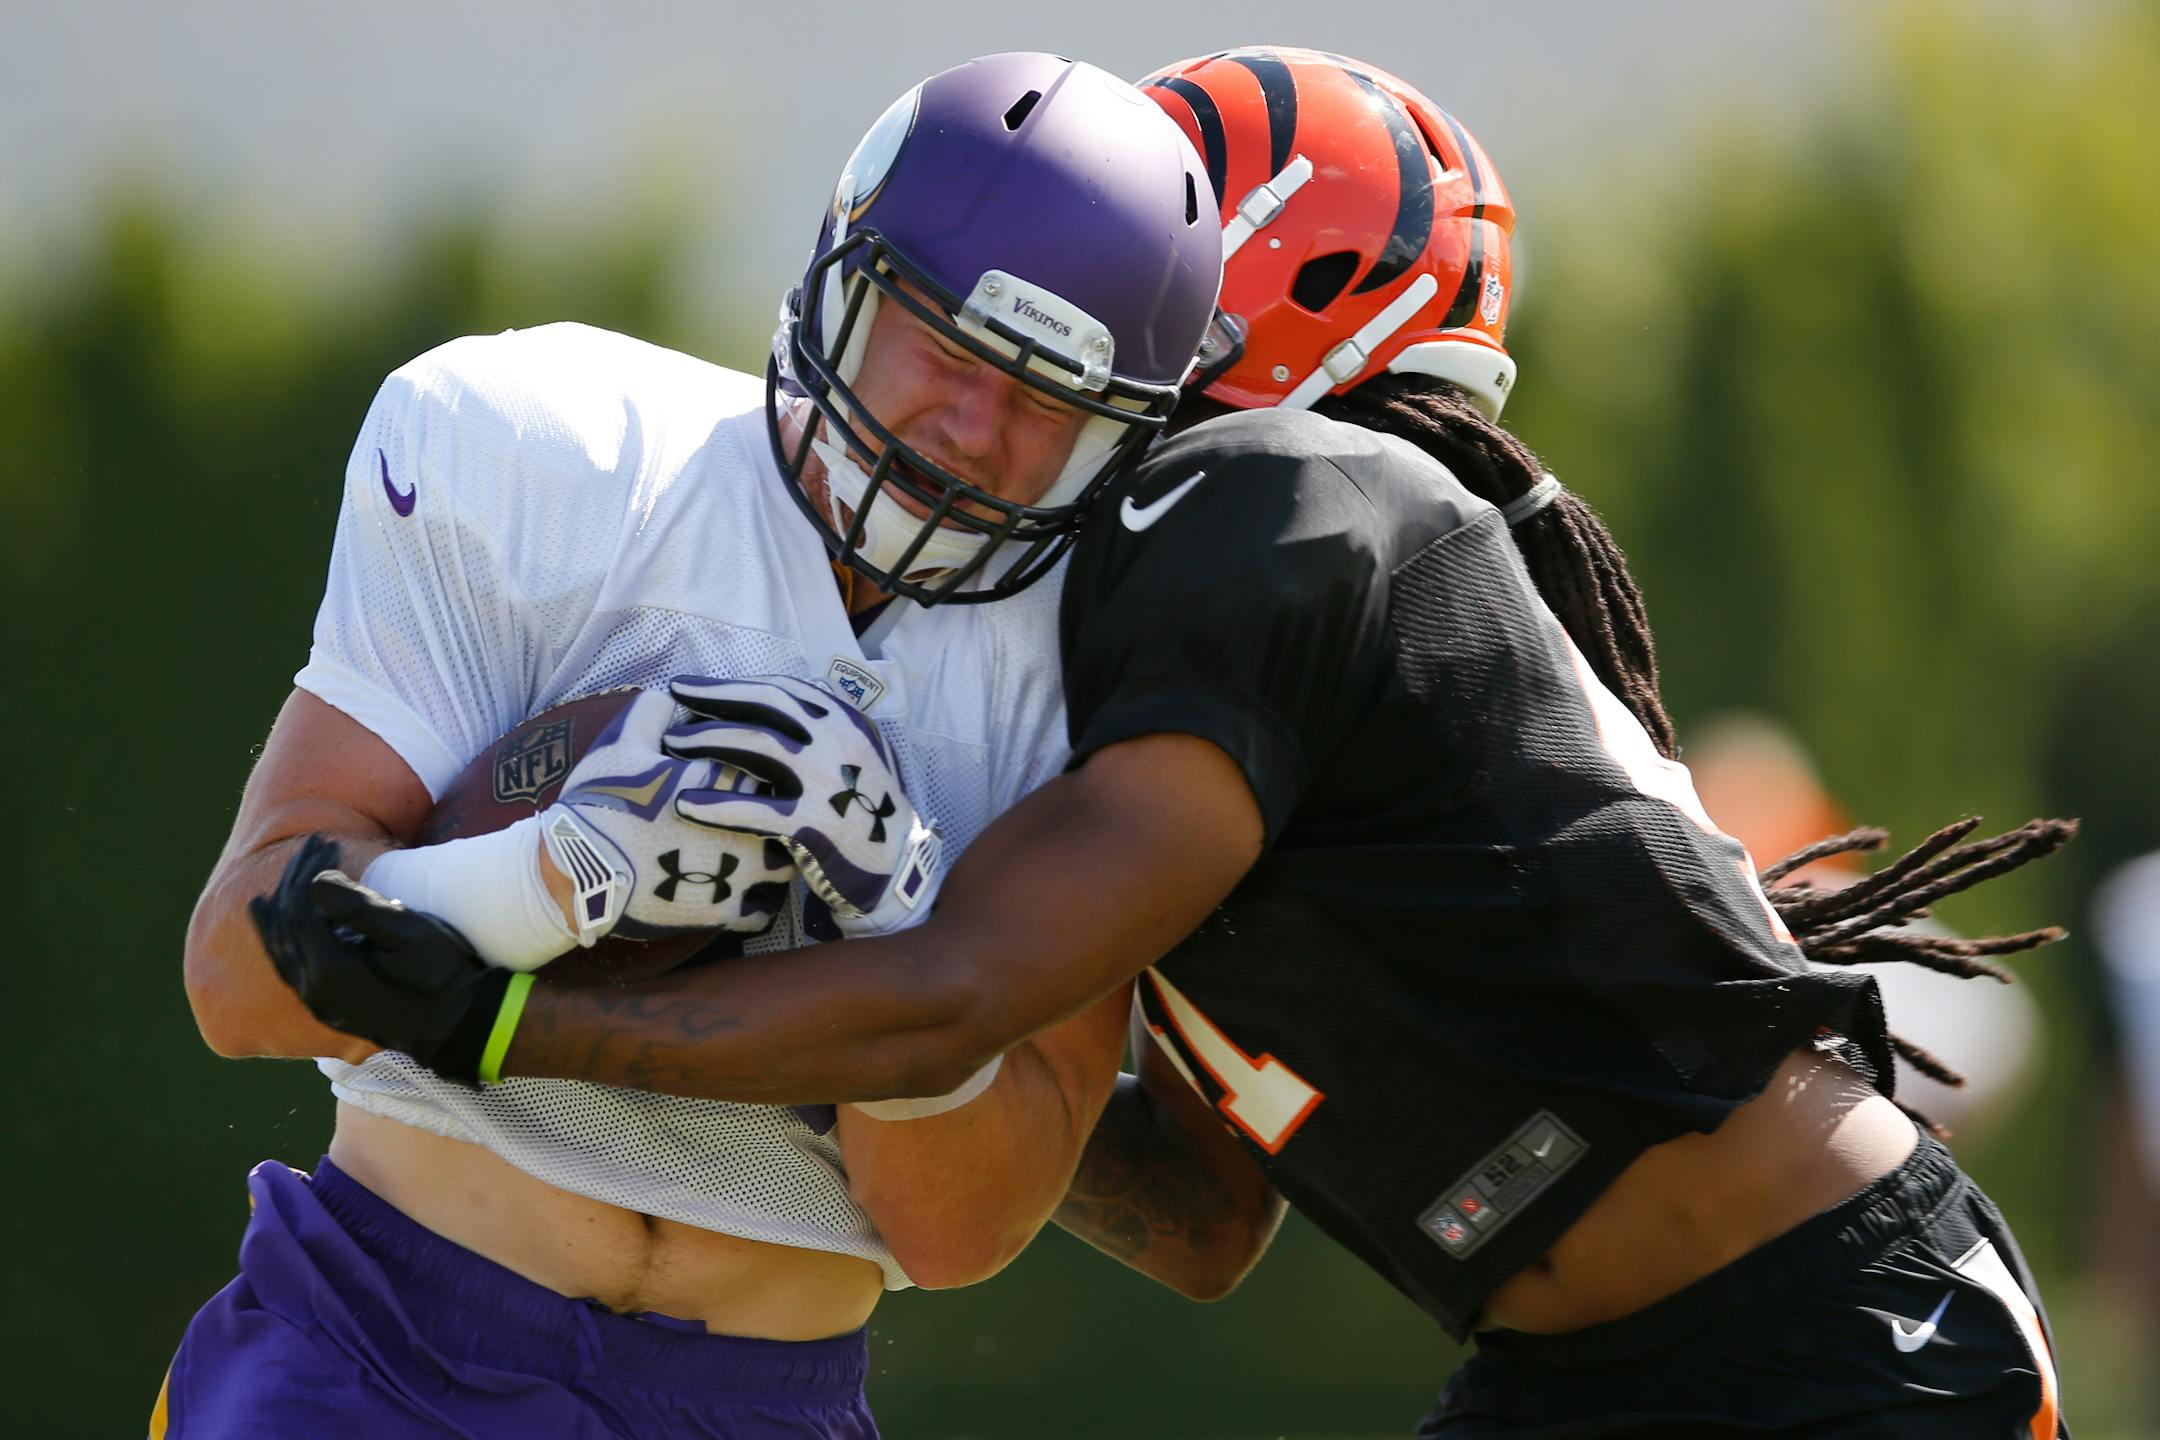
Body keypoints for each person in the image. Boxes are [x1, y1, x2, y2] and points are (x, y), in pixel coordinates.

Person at [265, 47, 2077, 1438]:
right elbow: (1202, 1216)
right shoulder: (1182, 603)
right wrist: (830, 1017)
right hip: (1576, 1363)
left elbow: (951, 993)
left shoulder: (1285, 509)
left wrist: (516, 1016)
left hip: (1840, 1343)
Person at [168, 52, 1221, 1440]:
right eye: (947, 348)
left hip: (759, 1398)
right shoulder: (545, 451)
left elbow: (957, 1228)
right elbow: (241, 982)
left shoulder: (1113, 662)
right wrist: (545, 876)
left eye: (1047, 401)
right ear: (845, 278)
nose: (976, 429)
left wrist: (904, 930)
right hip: (382, 1339)